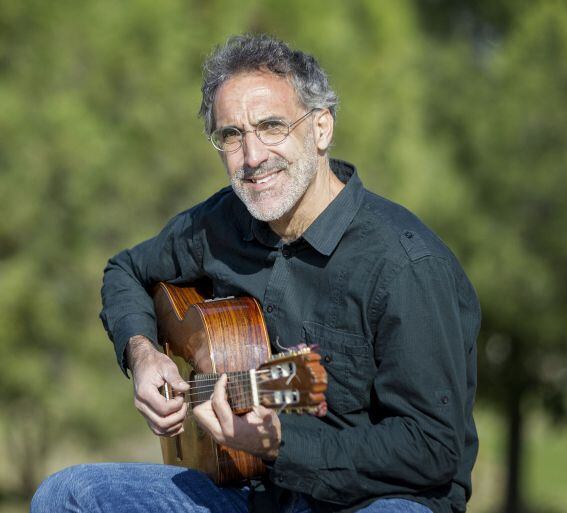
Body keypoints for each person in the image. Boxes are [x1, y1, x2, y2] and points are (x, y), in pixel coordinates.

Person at [31, 34, 480, 513]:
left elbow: (432, 449)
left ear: (321, 128)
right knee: (67, 497)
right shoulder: (220, 223)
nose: (252, 157)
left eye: (271, 127)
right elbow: (126, 271)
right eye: (231, 135)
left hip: (377, 499)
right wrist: (142, 356)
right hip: (248, 491)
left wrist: (278, 443)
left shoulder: (406, 265)